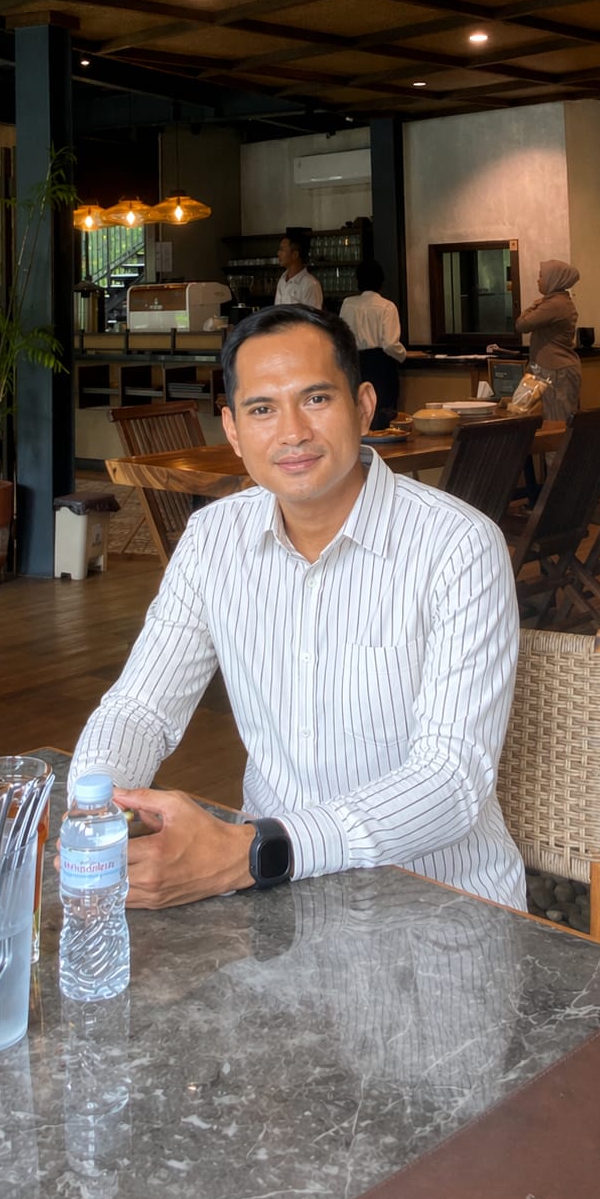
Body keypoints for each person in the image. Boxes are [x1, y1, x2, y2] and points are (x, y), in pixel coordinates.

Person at [69, 304, 525, 913]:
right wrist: (98, 805)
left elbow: (451, 779)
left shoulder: (458, 547)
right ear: (233, 430)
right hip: (275, 905)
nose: (292, 433)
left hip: (436, 909)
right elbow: (141, 707)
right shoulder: (212, 539)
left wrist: (254, 851)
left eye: (315, 399)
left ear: (363, 406)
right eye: (262, 409)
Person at [338, 260, 406, 430]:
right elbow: (390, 344)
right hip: (381, 364)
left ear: (358, 281)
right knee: (383, 412)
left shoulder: (348, 304)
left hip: (355, 362)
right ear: (381, 282)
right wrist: (403, 355)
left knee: (358, 410)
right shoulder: (387, 307)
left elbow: (341, 337)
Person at [514, 259, 581, 422]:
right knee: (534, 415)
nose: (538, 280)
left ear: (553, 279)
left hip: (555, 371)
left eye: (541, 276)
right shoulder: (558, 302)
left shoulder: (554, 305)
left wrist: (533, 306)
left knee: (556, 421)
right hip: (549, 368)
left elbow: (522, 324)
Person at [274, 229, 323, 309]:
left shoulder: (310, 284)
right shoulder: (282, 280)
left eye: (282, 250)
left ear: (295, 254)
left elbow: (312, 315)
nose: (278, 253)